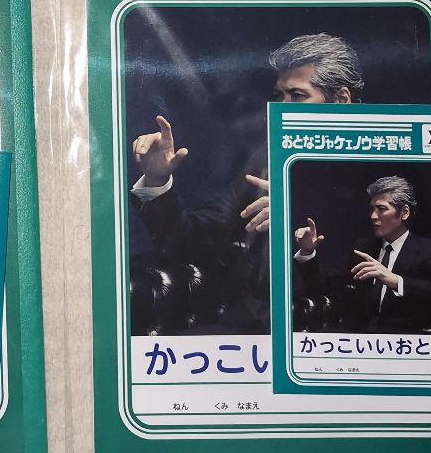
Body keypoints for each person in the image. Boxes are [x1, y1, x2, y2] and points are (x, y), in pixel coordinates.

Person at [129, 33, 364, 328]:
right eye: (279, 96)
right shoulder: (265, 159)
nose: (280, 108)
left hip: (334, 329)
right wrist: (157, 179)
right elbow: (191, 239)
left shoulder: (382, 167)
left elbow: (366, 260)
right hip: (252, 325)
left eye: (297, 96)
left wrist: (290, 221)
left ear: (341, 100)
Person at [293, 175, 431, 333]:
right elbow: (322, 286)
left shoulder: (428, 250)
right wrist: (307, 251)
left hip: (404, 340)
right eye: (371, 209)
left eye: (381, 209)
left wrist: (396, 281)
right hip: (357, 338)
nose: (373, 216)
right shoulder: (363, 248)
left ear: (404, 212)